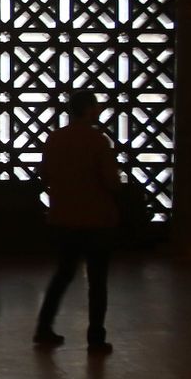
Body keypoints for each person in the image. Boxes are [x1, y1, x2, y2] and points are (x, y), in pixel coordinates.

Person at [33, 89, 122, 353]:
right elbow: (111, 182)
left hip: (63, 218)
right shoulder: (97, 141)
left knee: (62, 274)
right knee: (97, 282)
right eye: (95, 107)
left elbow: (44, 175)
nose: (98, 111)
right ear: (87, 109)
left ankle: (43, 327)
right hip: (96, 221)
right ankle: (96, 338)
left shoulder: (55, 138)